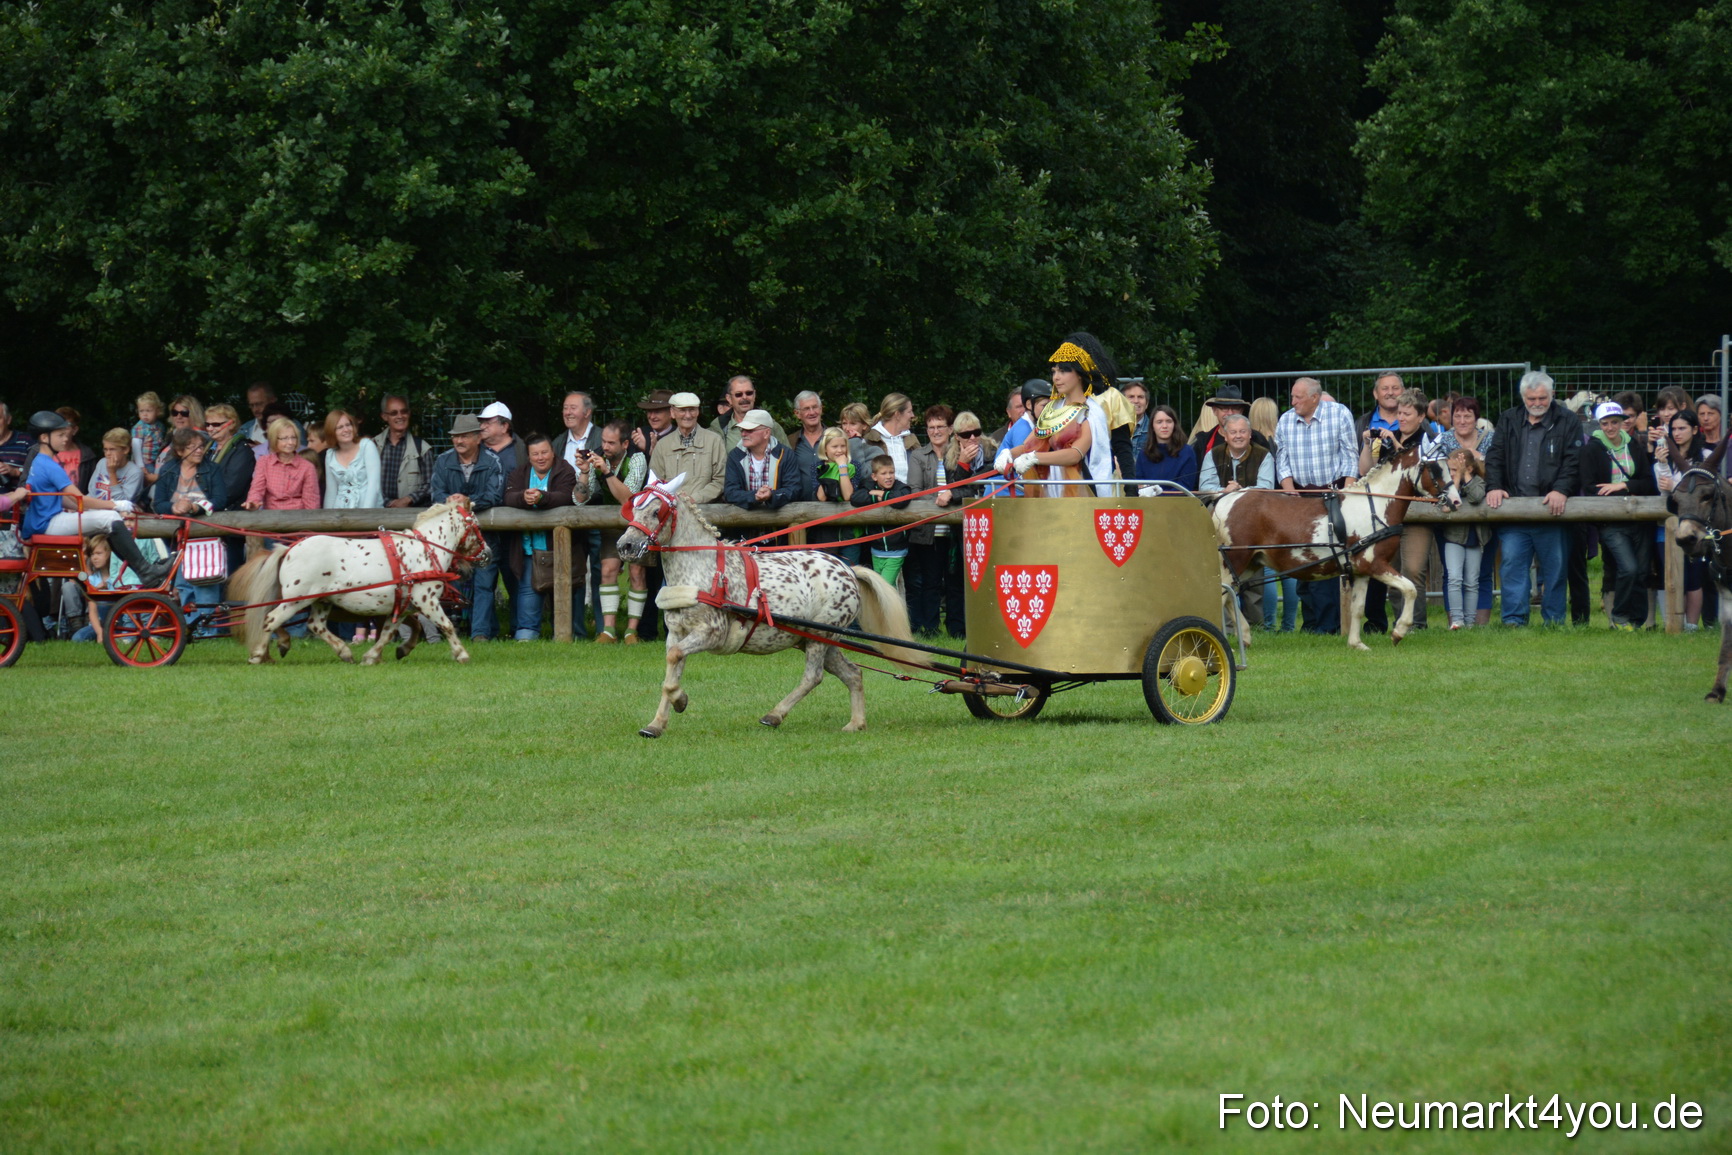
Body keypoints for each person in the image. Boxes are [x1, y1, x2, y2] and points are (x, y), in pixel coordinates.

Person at [20, 411, 171, 589]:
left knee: (107, 520)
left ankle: (144, 571)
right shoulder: (50, 465)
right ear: (44, 437)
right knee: (111, 518)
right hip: (47, 523)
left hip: (42, 521)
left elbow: (62, 500)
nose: (65, 439)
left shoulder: (39, 461)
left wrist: (101, 508)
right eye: (60, 435)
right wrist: (114, 504)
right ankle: (146, 571)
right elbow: (78, 500)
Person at [1484, 369, 1580, 627]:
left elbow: (1573, 460)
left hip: (1553, 511)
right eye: (1531, 399)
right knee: (1512, 568)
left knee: (1556, 571)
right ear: (1522, 398)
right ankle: (1514, 622)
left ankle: (1554, 623)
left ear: (1552, 395)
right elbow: (1495, 456)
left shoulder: (1568, 420)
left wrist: (1561, 489)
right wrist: (1493, 486)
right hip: (1515, 511)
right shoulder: (1508, 419)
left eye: (1542, 398)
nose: (1537, 404)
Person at [1274, 377, 1359, 632]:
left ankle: (1328, 625)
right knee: (1300, 559)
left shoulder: (1339, 413)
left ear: (1315, 397)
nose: (1293, 402)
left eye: (1298, 397)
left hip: (1332, 494)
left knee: (1325, 557)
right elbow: (1282, 459)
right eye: (1292, 396)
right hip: (1298, 497)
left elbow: (1350, 454)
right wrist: (1289, 492)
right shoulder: (1286, 420)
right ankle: (1310, 623)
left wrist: (1346, 493)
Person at [1357, 388, 1436, 632]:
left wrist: (1394, 442)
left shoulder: (1429, 440)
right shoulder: (1391, 436)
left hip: (1417, 515)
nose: (1401, 418)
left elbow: (1418, 470)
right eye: (1399, 413)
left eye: (1407, 413)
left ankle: (1417, 624)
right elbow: (1365, 471)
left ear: (1421, 417)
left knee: (1412, 569)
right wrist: (1368, 443)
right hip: (1388, 517)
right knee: (1389, 572)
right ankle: (1399, 621)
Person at [430, 415, 506, 640]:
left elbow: (495, 495)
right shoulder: (443, 461)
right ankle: (473, 630)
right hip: (452, 536)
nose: (458, 440)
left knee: (484, 582)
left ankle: (479, 635)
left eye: (464, 436)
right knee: (453, 584)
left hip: (484, 535)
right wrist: (449, 500)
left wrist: (466, 502)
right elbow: (436, 494)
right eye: (455, 436)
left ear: (477, 438)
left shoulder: (493, 461)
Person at [1581, 401, 1655, 629]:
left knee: (1642, 570)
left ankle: (1639, 620)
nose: (1611, 427)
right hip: (1610, 520)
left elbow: (1648, 483)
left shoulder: (1634, 445)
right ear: (1599, 424)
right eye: (1605, 423)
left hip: (1639, 517)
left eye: (1615, 422)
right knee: (1628, 567)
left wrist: (1622, 485)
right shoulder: (1591, 449)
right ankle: (1620, 616)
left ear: (1623, 422)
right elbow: (1590, 485)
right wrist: (1617, 491)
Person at [1005, 342, 1113, 497]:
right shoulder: (1053, 408)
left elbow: (1075, 454)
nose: (1056, 377)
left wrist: (1035, 458)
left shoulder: (1091, 412)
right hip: (1054, 491)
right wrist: (1009, 454)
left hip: (1086, 493)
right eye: (1054, 371)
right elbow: (1031, 444)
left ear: (1079, 374)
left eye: (1063, 371)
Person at [503, 433, 577, 641]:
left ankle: (565, 635)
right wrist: (522, 497)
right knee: (527, 594)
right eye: (535, 454)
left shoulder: (565, 470)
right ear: (528, 456)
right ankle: (526, 635)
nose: (541, 457)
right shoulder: (519, 473)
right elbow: (508, 496)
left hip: (560, 551)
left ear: (553, 452)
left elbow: (567, 496)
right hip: (529, 550)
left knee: (565, 593)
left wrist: (543, 497)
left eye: (545, 452)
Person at [585, 419, 651, 642]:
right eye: (603, 441)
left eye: (611, 443)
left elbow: (628, 498)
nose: (604, 447)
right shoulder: (597, 456)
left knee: (636, 573)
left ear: (624, 444)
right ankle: (609, 630)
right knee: (607, 571)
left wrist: (606, 473)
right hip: (611, 524)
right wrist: (585, 473)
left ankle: (632, 631)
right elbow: (581, 499)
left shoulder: (637, 458)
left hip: (638, 524)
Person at [1437, 396, 1497, 626]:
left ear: (1476, 418)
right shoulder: (1442, 440)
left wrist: (1478, 463)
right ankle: (1456, 620)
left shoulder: (1490, 439)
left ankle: (1475, 622)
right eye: (1458, 416)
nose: (1462, 420)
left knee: (1477, 575)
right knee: (1452, 575)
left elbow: (1496, 469)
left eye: (1467, 416)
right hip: (1453, 521)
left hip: (1482, 517)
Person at [550, 391, 606, 639]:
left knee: (601, 572)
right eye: (564, 408)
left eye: (572, 408)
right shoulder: (558, 443)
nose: (567, 412)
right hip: (568, 517)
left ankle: (605, 630)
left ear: (587, 412)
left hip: (597, 513)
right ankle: (575, 632)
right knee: (571, 572)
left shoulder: (603, 438)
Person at [906, 405, 964, 637]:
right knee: (930, 582)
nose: (935, 431)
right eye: (931, 427)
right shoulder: (919, 455)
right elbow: (915, 490)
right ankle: (930, 628)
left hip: (955, 531)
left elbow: (967, 485)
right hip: (927, 532)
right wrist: (941, 498)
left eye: (940, 426)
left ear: (951, 429)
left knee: (955, 583)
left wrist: (949, 497)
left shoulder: (961, 453)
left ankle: (957, 628)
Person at [1655, 409, 1710, 629]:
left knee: (1694, 575)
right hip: (1666, 524)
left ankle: (1691, 625)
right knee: (1667, 572)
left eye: (1682, 428)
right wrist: (1661, 465)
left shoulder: (1705, 456)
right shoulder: (1663, 455)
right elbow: (1664, 494)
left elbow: (1702, 489)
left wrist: (1674, 486)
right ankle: (1671, 622)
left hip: (1695, 523)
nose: (1677, 433)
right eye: (1673, 429)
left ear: (1695, 430)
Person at [648, 392, 728, 503]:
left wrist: (694, 499)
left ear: (698, 412)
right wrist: (673, 501)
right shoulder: (662, 445)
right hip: (671, 511)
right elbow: (656, 484)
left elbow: (720, 480)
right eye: (682, 410)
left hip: (705, 511)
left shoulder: (714, 441)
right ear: (672, 412)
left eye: (692, 410)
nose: (688, 415)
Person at [723, 409, 801, 516]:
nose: (743, 434)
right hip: (744, 525)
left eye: (749, 430)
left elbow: (794, 490)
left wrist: (772, 495)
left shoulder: (786, 455)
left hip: (779, 524)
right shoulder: (735, 456)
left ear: (766, 433)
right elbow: (730, 493)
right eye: (742, 429)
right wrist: (754, 496)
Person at [851, 455, 914, 585]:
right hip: (876, 549)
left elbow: (901, 500)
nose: (888, 476)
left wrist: (881, 494)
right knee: (885, 589)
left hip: (896, 550)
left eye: (891, 472)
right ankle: (896, 606)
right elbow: (855, 498)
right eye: (883, 473)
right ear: (874, 476)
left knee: (884, 585)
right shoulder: (868, 485)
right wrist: (878, 498)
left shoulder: (901, 487)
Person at [244, 417, 321, 511]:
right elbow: (257, 489)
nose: (290, 442)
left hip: (298, 520)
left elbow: (311, 503)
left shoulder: (307, 467)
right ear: (274, 439)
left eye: (293, 437)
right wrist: (253, 502)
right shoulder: (264, 462)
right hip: (271, 518)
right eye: (285, 438)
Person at [813, 427, 865, 567]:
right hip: (826, 531)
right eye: (834, 446)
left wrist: (842, 468)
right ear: (825, 449)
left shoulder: (854, 466)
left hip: (850, 531)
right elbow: (821, 497)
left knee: (851, 571)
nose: (839, 450)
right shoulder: (818, 466)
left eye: (843, 446)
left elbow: (848, 495)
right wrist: (830, 469)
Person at [374, 395, 435, 508]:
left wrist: (408, 499)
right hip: (378, 513)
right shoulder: (373, 446)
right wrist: (388, 503)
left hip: (412, 516)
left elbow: (431, 485)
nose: (400, 416)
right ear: (384, 416)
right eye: (394, 413)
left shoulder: (422, 448)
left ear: (409, 413)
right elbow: (365, 483)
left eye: (404, 411)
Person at [321, 410, 383, 511]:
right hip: (340, 513)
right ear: (331, 432)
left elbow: (374, 486)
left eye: (348, 425)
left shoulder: (367, 446)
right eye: (340, 427)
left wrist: (364, 516)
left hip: (369, 512)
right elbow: (331, 492)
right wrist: (328, 520)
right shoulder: (330, 455)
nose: (346, 429)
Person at [1198, 412, 1273, 492]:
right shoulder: (1213, 454)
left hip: (1254, 503)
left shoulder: (1264, 455)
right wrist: (1224, 491)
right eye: (1233, 432)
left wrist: (1241, 491)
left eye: (1243, 431)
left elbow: (1266, 488)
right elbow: (1204, 487)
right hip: (1220, 503)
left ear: (1250, 434)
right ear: (1225, 436)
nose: (1238, 436)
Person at [711, 375, 790, 451]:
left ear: (754, 395)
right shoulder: (719, 427)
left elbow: (788, 457)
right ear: (729, 398)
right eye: (738, 394)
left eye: (749, 393)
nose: (744, 397)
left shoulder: (771, 425)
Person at [854, 393, 921, 483]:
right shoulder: (869, 440)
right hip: (881, 496)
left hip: (912, 495)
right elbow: (863, 476)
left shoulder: (912, 440)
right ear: (897, 414)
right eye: (909, 411)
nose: (912, 415)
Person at [1189, 385, 1269, 458]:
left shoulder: (1258, 439)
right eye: (1224, 408)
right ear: (1214, 411)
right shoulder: (1203, 442)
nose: (1230, 413)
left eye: (1235, 408)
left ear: (1241, 411)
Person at [1134, 405, 1199, 492]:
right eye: (1159, 422)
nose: (1164, 426)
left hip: (1177, 503)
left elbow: (1185, 487)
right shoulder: (1144, 453)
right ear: (1152, 426)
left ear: (1174, 425)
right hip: (1148, 503)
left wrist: (1158, 495)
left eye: (1168, 421)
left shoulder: (1187, 452)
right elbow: (1139, 484)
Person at [89, 429, 144, 506]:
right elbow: (92, 491)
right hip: (96, 508)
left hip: (118, 514)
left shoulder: (135, 473)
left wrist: (112, 473)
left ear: (125, 450)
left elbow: (123, 504)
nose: (108, 454)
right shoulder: (102, 463)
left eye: (112, 449)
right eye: (105, 449)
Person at [790, 390, 826, 502]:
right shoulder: (791, 441)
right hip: (800, 509)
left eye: (815, 407)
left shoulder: (835, 437)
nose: (812, 412)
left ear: (821, 409)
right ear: (797, 414)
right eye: (806, 409)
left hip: (833, 507)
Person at [130, 392, 168, 491]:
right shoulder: (140, 427)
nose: (145, 414)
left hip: (156, 460)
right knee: (149, 481)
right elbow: (136, 447)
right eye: (141, 411)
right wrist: (140, 465)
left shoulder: (160, 426)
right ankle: (143, 500)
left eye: (148, 411)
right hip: (144, 462)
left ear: (157, 411)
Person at [479, 402, 526, 478]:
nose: (482, 427)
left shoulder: (523, 451)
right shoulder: (475, 449)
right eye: (481, 422)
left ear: (504, 426)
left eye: (488, 423)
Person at [0, 402, 35, 485]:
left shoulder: (26, 441)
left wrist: (15, 471)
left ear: (8, 420)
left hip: (18, 496)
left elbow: (41, 472)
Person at [1124, 381, 1152, 461]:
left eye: (1140, 397)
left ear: (1146, 404)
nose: (1136, 401)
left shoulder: (1154, 430)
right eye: (1131, 397)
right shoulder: (1112, 429)